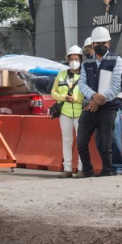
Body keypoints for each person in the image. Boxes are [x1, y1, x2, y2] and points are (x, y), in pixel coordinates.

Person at [78, 26, 122, 177]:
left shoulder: (116, 60)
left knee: (106, 143)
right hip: (90, 106)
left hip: (108, 108)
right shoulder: (86, 63)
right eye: (97, 43)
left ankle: (107, 171)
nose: (100, 46)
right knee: (81, 142)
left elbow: (116, 85)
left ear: (109, 43)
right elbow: (82, 84)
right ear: (92, 45)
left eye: (103, 43)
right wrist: (93, 96)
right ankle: (88, 171)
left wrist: (98, 101)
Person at [50, 45, 84, 178]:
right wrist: (63, 97)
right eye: (71, 58)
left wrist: (76, 98)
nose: (74, 61)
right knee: (67, 141)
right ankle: (67, 168)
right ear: (68, 60)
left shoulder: (84, 75)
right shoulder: (62, 74)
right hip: (65, 112)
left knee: (81, 141)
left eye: (76, 58)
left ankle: (81, 168)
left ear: (80, 60)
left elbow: (86, 93)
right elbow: (53, 91)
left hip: (80, 112)